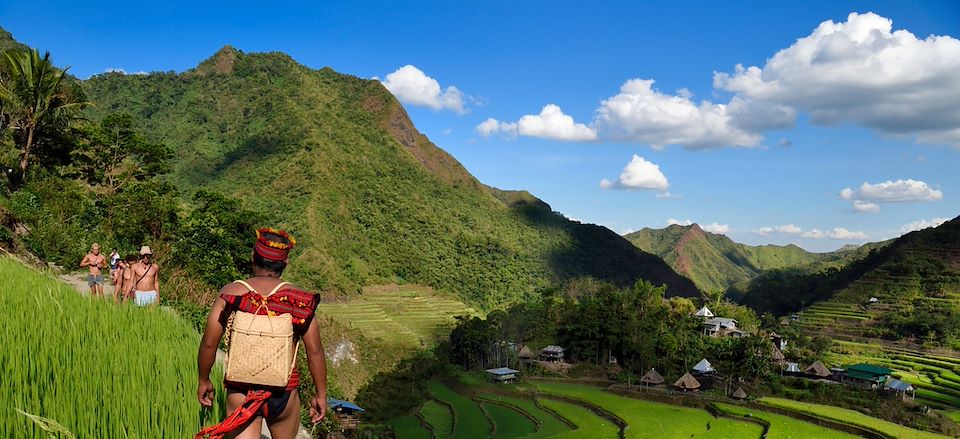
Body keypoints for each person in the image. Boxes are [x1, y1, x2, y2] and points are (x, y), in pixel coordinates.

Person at [196, 228, 327, 439]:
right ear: (285, 264)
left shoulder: (230, 292)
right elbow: (315, 352)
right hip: (283, 393)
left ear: (253, 257)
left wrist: (204, 380)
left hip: (241, 391)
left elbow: (209, 344)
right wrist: (321, 394)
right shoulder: (298, 300)